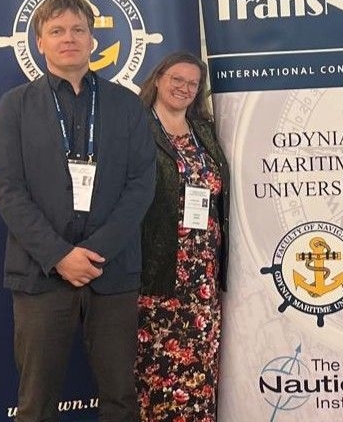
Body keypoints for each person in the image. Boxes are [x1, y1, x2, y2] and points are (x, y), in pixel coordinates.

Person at [0, 0, 155, 421]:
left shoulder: (127, 104)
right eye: (57, 30)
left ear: (92, 40)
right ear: (40, 42)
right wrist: (60, 255)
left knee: (121, 398)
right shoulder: (15, 106)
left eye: (78, 29)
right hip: (40, 273)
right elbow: (8, 190)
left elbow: (141, 185)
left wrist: (95, 251)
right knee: (36, 403)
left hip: (111, 273)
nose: (69, 38)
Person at [134, 52, 229, 421]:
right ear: (158, 78)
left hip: (204, 275)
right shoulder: (138, 127)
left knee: (200, 371)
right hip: (159, 269)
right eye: (177, 79)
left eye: (193, 83)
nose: (184, 88)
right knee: (157, 371)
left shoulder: (204, 131)